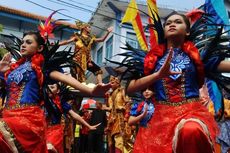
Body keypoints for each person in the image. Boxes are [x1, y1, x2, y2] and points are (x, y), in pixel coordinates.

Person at [125, 12, 230, 153]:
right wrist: (157, 75)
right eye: (168, 23)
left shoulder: (197, 57)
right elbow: (129, 88)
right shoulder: (151, 59)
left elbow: (225, 65)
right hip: (160, 118)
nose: (172, 24)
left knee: (191, 130)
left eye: (178, 22)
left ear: (187, 31)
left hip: (191, 112)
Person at [0, 31, 110, 152]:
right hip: (7, 116)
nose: (23, 45)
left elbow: (66, 78)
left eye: (28, 42)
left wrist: (91, 90)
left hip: (25, 118)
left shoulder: (42, 67)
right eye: (22, 42)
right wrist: (1, 71)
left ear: (40, 48)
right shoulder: (14, 68)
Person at [45, 83, 100, 153]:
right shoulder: (41, 99)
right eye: (48, 87)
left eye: (52, 87)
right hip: (42, 130)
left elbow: (75, 115)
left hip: (55, 131)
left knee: (49, 147)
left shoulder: (61, 103)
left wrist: (88, 126)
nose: (49, 90)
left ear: (58, 91)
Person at [105, 75, 133, 153]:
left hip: (120, 117)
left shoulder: (122, 91)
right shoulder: (109, 94)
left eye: (113, 82)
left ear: (118, 83)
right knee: (110, 139)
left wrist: (126, 115)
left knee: (119, 138)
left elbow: (128, 103)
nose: (111, 84)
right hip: (111, 118)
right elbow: (110, 107)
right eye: (110, 82)